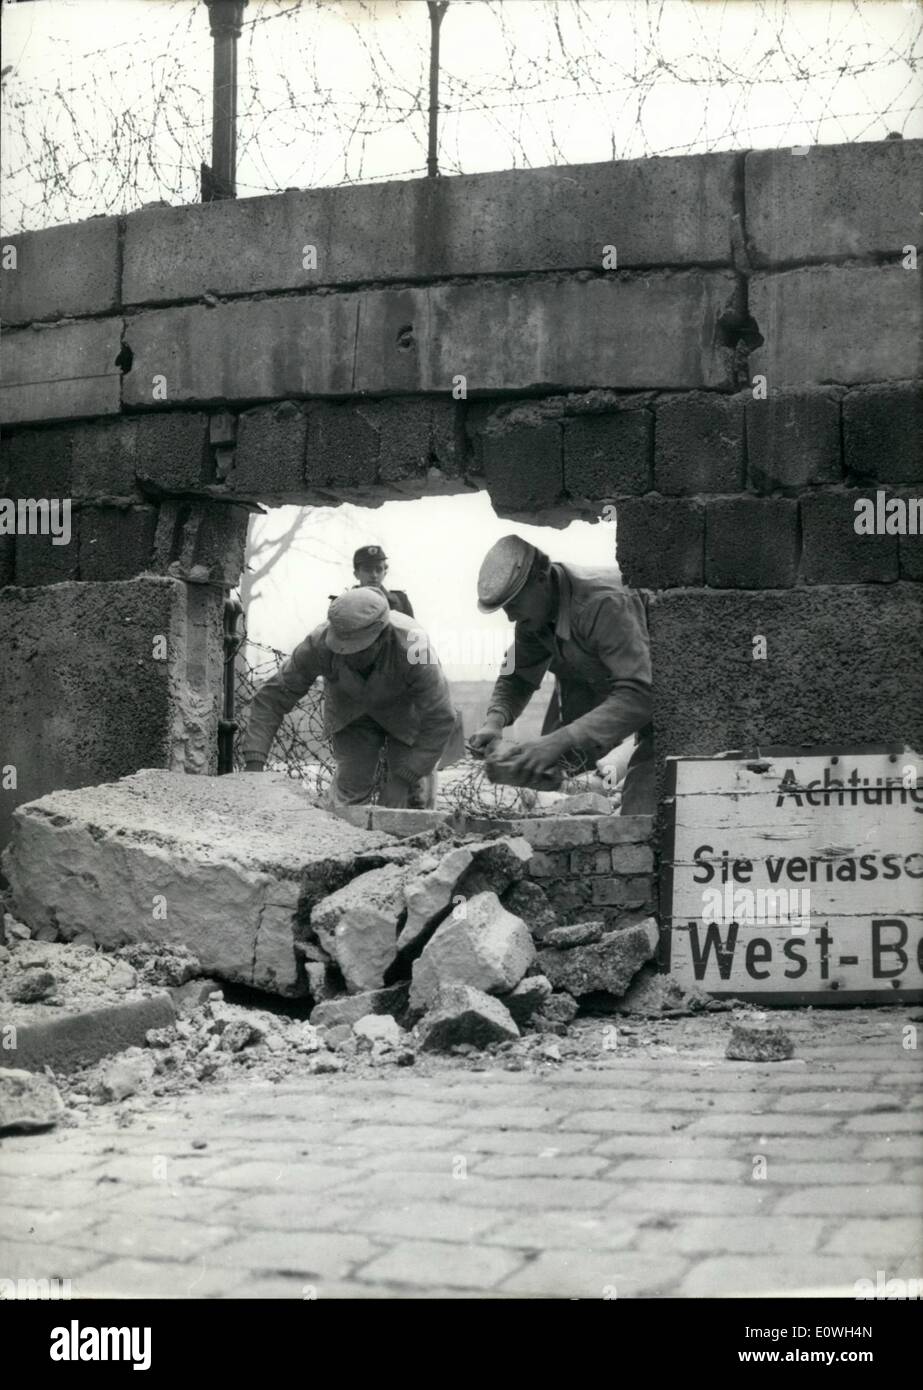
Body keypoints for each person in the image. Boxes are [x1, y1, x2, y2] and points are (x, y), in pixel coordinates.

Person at [468, 535, 654, 814]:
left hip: (689, 710)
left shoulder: (603, 603)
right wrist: (495, 721)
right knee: (629, 817)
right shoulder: (535, 615)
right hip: (645, 716)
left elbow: (640, 694)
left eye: (513, 604)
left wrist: (557, 741)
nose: (510, 617)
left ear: (542, 578)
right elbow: (517, 675)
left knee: (648, 816)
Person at [242, 587, 456, 810]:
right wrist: (254, 764)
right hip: (352, 714)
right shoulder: (319, 643)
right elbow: (272, 698)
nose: (348, 655)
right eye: (342, 649)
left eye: (359, 649)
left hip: (406, 716)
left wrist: (404, 778)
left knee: (412, 802)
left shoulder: (414, 645)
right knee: (348, 797)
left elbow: (441, 717)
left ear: (381, 638)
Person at [351, 544, 414, 617]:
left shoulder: (401, 601)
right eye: (368, 570)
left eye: (379, 570)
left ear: (385, 573)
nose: (374, 575)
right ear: (356, 574)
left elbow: (412, 627)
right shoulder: (344, 603)